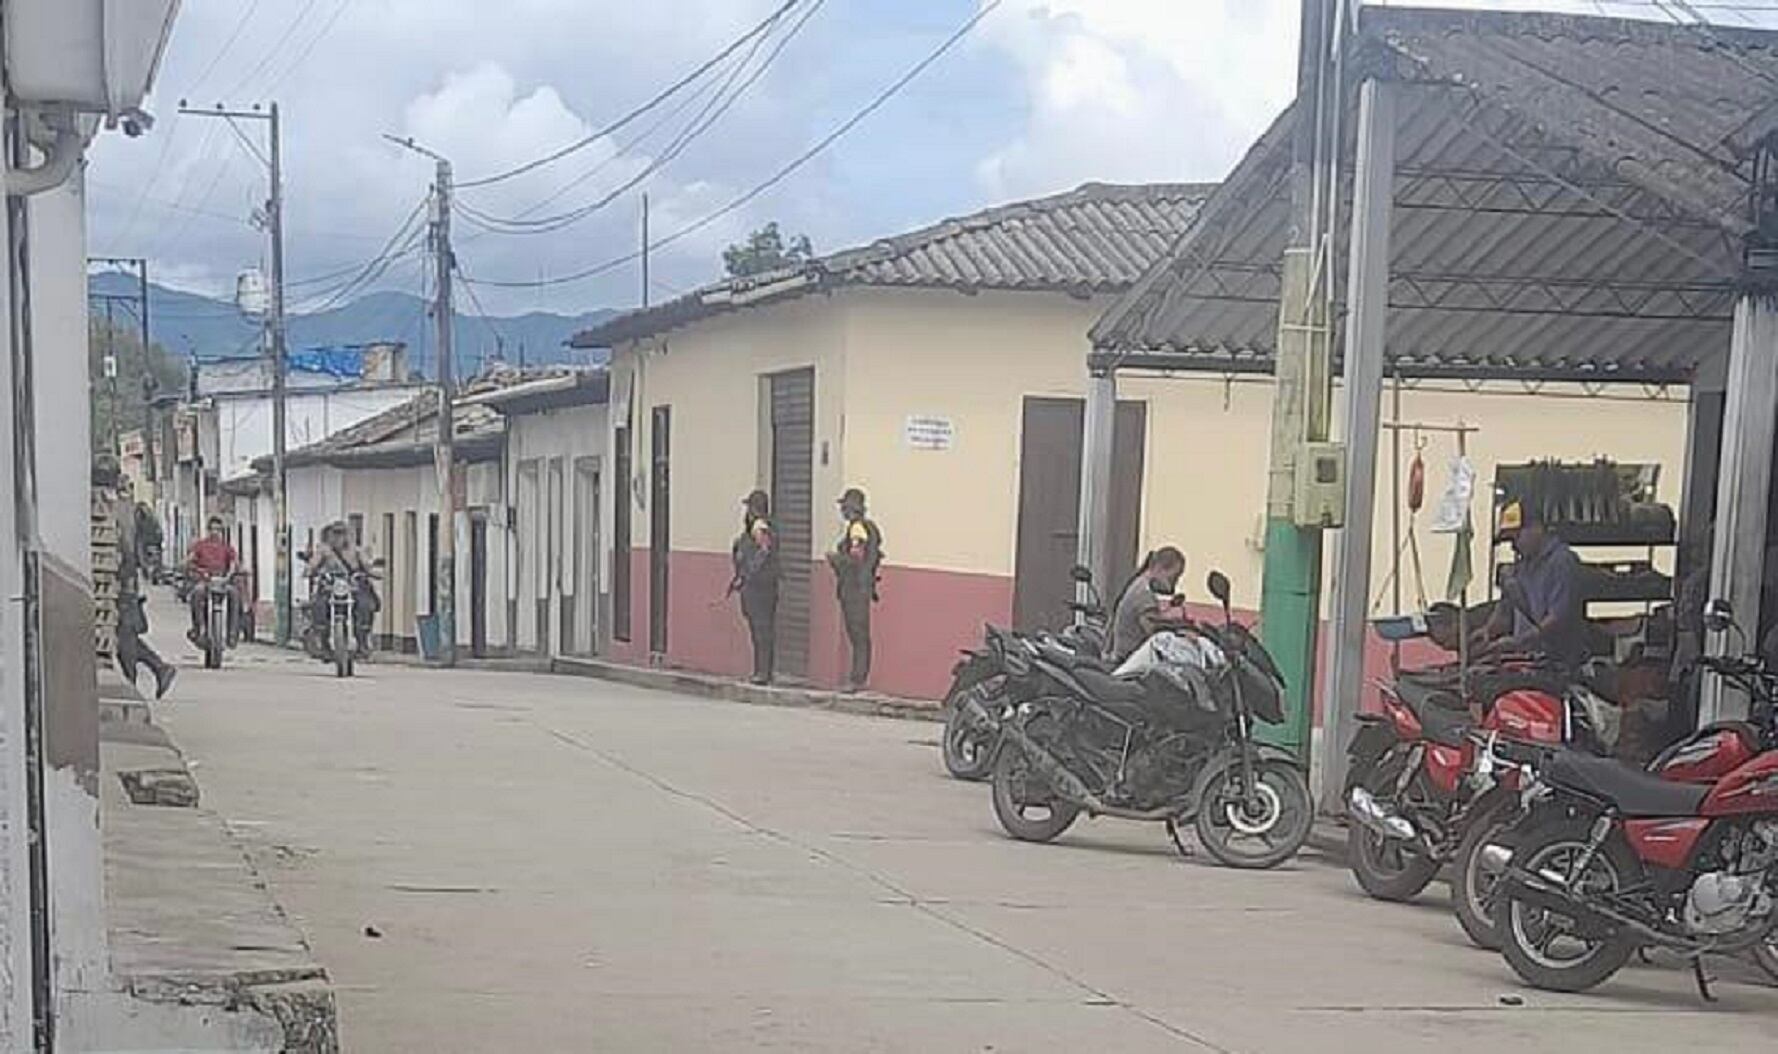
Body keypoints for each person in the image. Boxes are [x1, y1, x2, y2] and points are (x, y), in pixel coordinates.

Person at [1474, 501, 1585, 668]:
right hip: (1526, 659)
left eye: (1516, 537)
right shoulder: (1522, 566)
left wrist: (1518, 641)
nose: (1513, 546)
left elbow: (1558, 618)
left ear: (1536, 528)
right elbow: (1505, 611)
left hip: (1559, 662)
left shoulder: (1562, 561)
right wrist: (1488, 631)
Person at [114, 486, 175, 699]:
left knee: (125, 636)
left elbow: (128, 550)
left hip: (123, 582)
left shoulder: (123, 513)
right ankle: (158, 667)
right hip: (125, 581)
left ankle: (133, 686)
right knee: (123, 635)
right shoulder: (126, 511)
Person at [826, 487, 882, 692]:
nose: (842, 511)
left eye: (844, 507)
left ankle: (857, 679)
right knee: (860, 634)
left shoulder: (857, 529)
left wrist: (836, 560)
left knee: (858, 634)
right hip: (861, 587)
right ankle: (858, 678)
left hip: (855, 588)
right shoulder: (865, 527)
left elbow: (856, 559)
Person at [730, 489, 779, 685]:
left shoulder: (759, 526)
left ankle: (763, 672)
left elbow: (764, 551)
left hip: (759, 587)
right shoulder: (760, 527)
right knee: (761, 630)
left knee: (761, 630)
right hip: (760, 585)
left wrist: (747, 575)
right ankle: (762, 670)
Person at [1110, 547, 1189, 663]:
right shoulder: (1143, 593)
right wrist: (1179, 629)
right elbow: (1152, 630)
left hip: (1129, 655)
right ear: (1160, 569)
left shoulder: (1139, 583)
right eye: (1174, 577)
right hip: (1130, 659)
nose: (1175, 583)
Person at [185, 515, 238, 643]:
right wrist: (196, 570)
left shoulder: (226, 547)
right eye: (213, 529)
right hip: (205, 581)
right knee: (196, 593)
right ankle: (199, 628)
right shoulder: (200, 545)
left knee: (235, 595)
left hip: (222, 582)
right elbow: (190, 560)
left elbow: (233, 563)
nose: (215, 532)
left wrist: (228, 576)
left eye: (218, 529)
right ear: (208, 530)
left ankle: (232, 632)